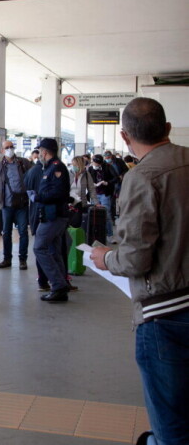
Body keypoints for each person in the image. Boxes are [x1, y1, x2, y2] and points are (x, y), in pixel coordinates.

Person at [90, 97, 189, 445]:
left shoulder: (142, 177)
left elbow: (134, 259)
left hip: (165, 314)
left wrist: (105, 259)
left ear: (124, 136)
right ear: (167, 129)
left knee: (170, 423)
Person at [30, 138, 71, 302]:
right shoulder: (50, 167)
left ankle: (58, 285)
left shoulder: (56, 168)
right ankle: (61, 285)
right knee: (54, 250)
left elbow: (58, 193)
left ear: (44, 152)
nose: (39, 154)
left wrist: (38, 197)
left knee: (39, 247)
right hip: (52, 215)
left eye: (40, 151)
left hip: (53, 216)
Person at [0, 140, 32, 269]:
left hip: (22, 203)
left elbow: (33, 176)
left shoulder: (23, 163)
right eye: (7, 147)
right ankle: (7, 259)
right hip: (6, 204)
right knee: (6, 232)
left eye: (11, 147)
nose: (10, 149)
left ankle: (23, 259)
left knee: (23, 232)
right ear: (2, 150)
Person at [87, 154, 119, 243]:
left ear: (101, 163)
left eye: (97, 164)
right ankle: (97, 235)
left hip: (105, 193)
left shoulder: (108, 167)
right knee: (95, 214)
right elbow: (87, 179)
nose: (95, 165)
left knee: (107, 213)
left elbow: (116, 178)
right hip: (94, 194)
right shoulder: (90, 168)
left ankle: (110, 235)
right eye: (94, 163)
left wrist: (107, 182)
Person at [68, 155, 98, 226]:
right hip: (68, 204)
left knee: (77, 224)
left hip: (80, 204)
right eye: (73, 165)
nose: (74, 167)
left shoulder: (86, 175)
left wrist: (96, 202)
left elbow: (91, 189)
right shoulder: (67, 174)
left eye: (76, 165)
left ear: (81, 165)